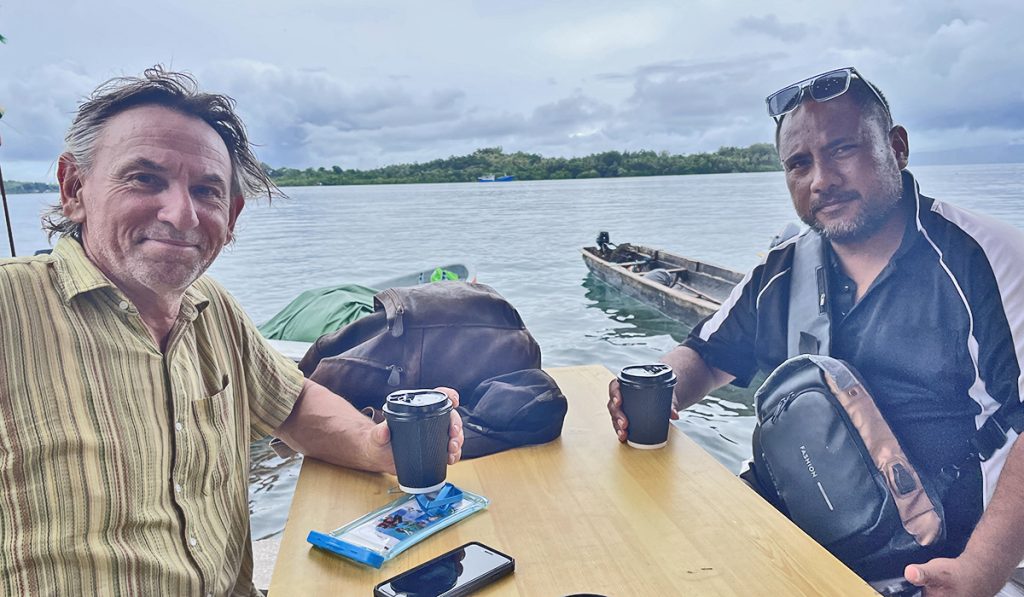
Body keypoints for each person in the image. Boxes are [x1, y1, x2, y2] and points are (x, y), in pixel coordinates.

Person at [0, 67, 463, 596]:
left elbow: (291, 405)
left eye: (206, 190)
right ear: (73, 188)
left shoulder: (213, 307)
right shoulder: (11, 309)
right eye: (144, 179)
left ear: (233, 213)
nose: (182, 214)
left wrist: (373, 444)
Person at [608, 67, 1024, 597]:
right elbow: (708, 355)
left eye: (843, 149)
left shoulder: (986, 260)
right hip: (783, 538)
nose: (820, 180)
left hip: (927, 572)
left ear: (897, 147)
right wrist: (649, 389)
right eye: (798, 164)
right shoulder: (783, 265)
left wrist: (983, 570)